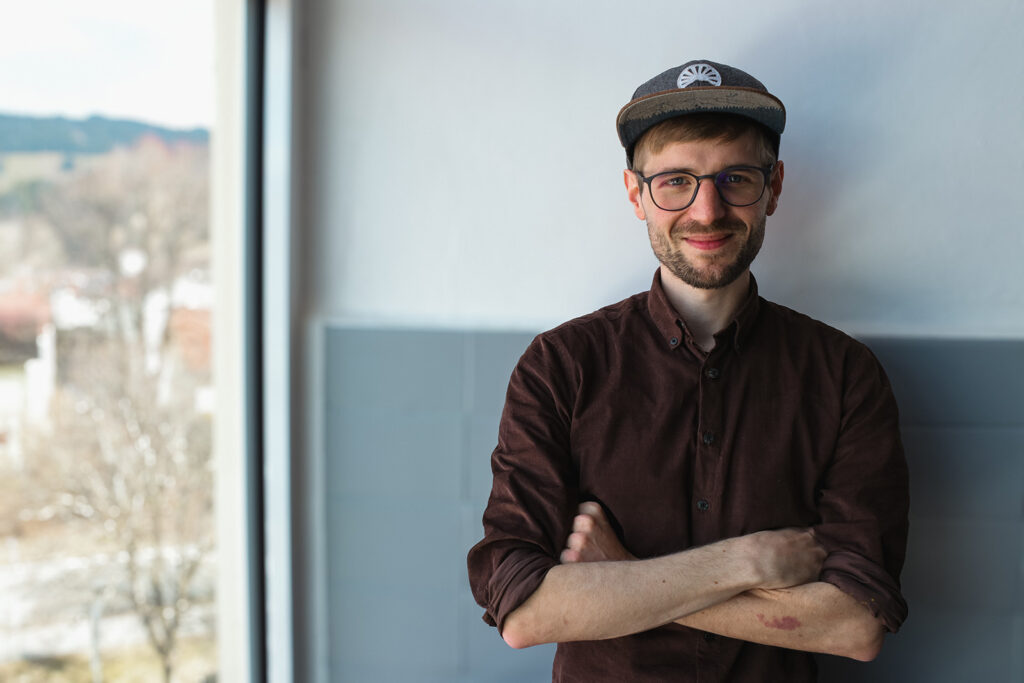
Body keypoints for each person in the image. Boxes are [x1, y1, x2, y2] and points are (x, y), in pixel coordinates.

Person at [466, 59, 909, 682]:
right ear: (635, 192)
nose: (706, 211)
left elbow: (855, 626)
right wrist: (744, 562)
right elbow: (525, 612)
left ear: (774, 187)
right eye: (676, 181)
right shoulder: (560, 366)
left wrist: (620, 574)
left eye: (735, 178)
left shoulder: (844, 375)